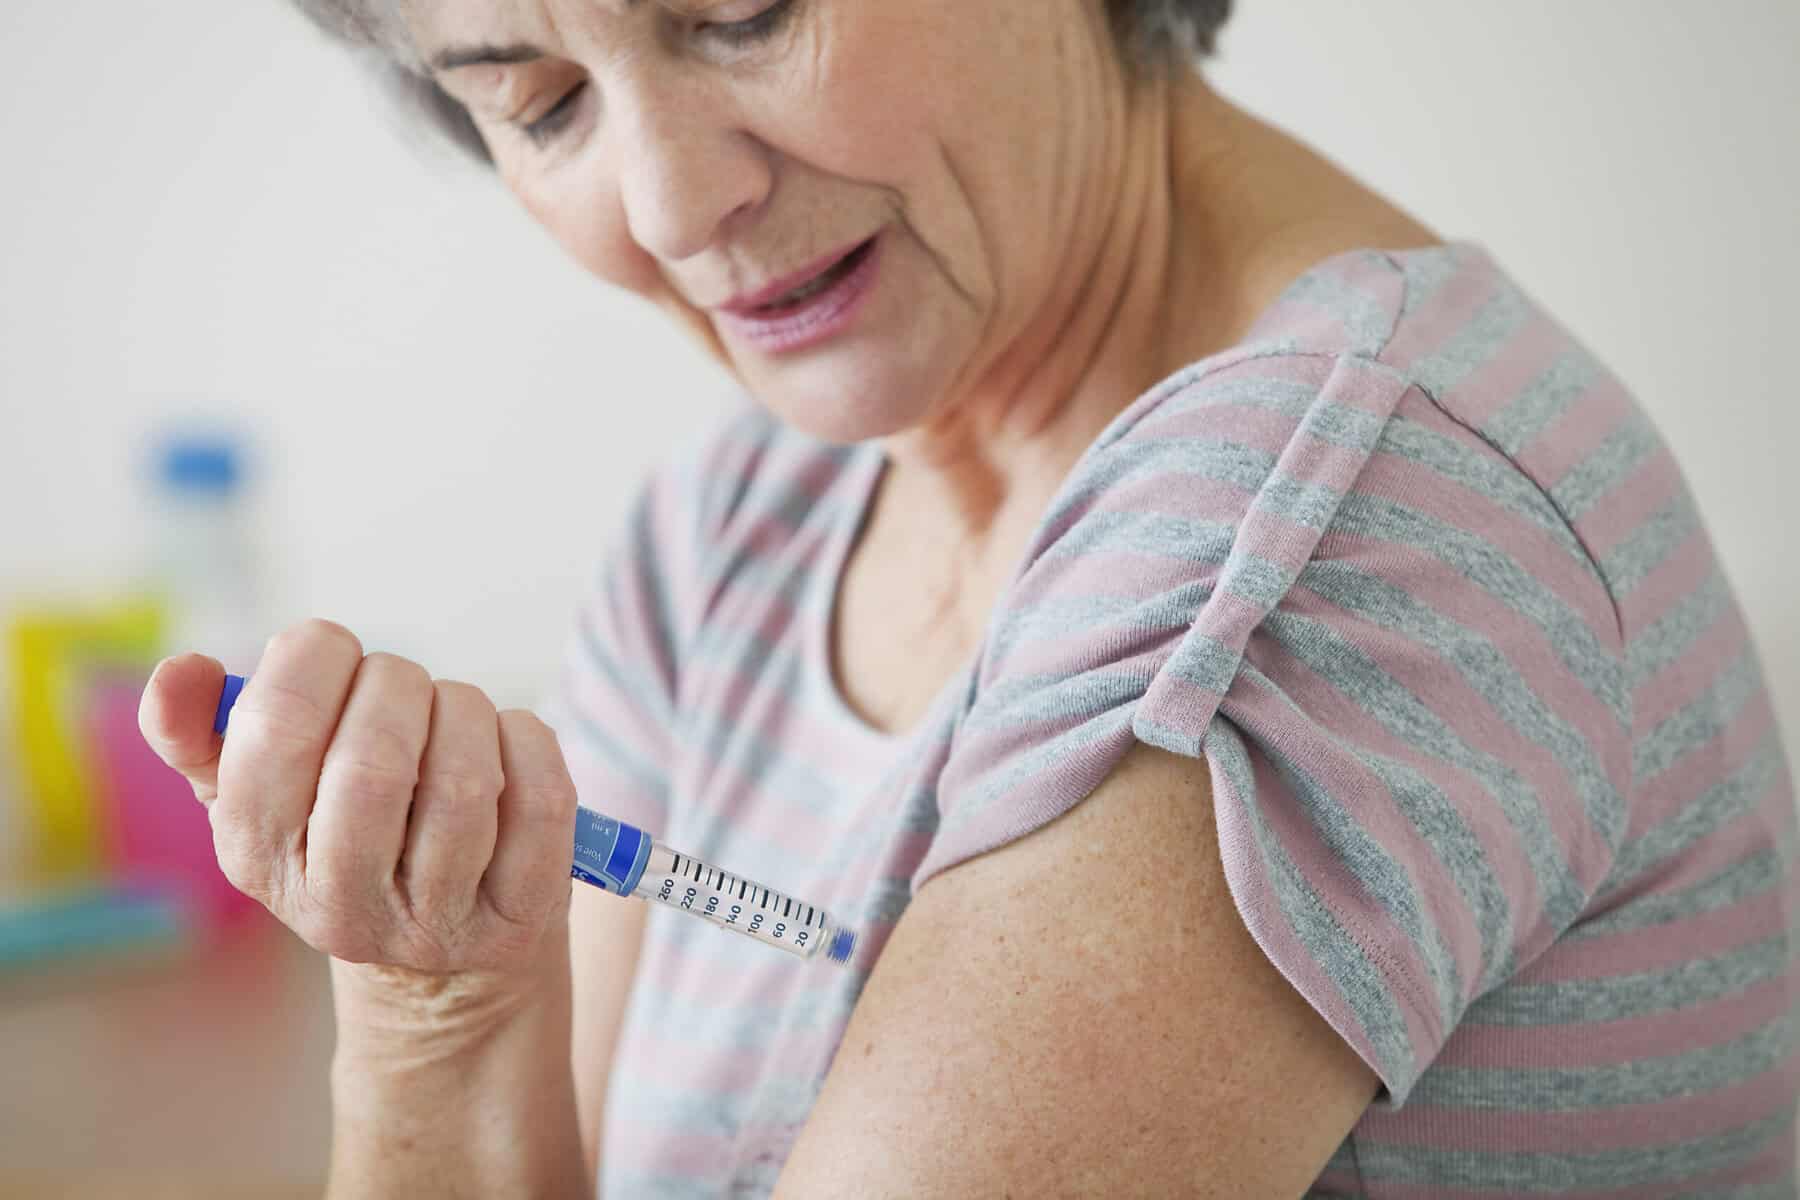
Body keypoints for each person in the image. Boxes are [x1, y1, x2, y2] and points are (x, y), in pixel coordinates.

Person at [139, 1, 1799, 1195]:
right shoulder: (731, 538)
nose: (666, 205)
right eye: (544, 101)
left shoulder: (1319, 544)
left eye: (740, 15)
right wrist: (442, 1004)